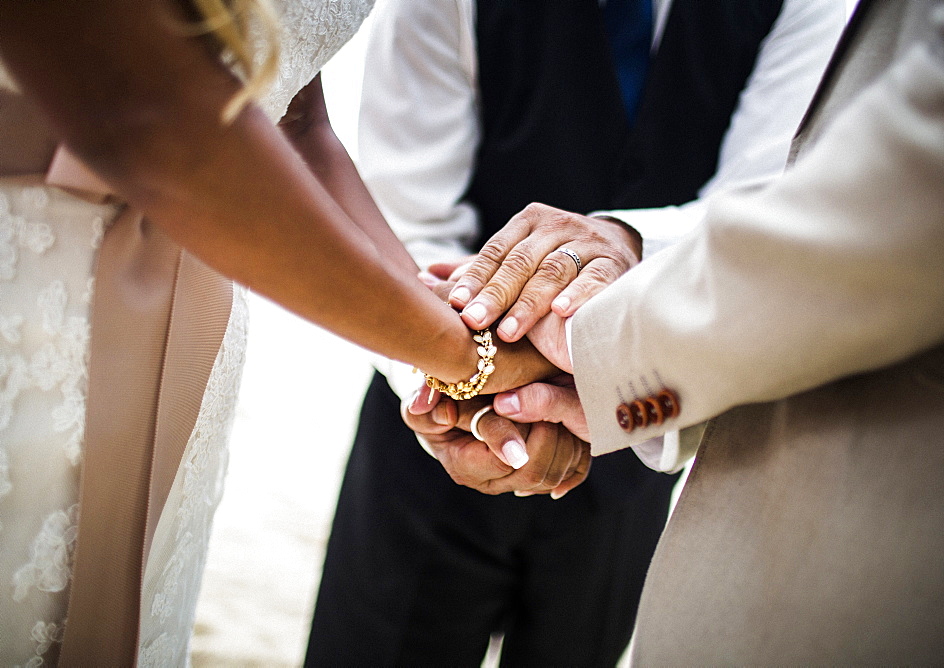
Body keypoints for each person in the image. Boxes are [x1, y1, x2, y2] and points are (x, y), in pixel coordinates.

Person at [410, 0, 944, 662]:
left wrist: (593, 347)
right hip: (435, 440)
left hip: (656, 436)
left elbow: (789, 189)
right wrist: (454, 367)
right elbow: (407, 201)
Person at [0, 1, 575, 664]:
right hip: (32, 305)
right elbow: (147, 112)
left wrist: (435, 361)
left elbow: (293, 118)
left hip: (192, 328)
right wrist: (462, 353)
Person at [306, 0, 845, 665]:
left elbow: (771, 203)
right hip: (425, 450)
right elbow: (409, 218)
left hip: (642, 439)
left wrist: (627, 251)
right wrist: (460, 390)